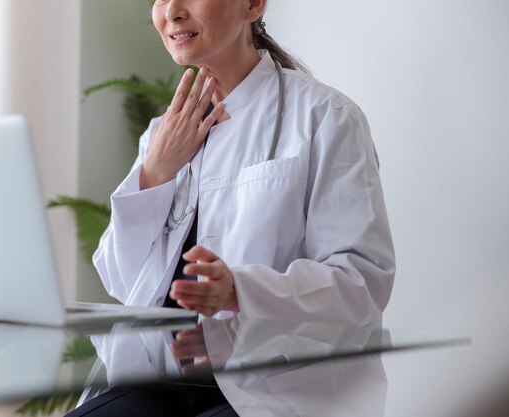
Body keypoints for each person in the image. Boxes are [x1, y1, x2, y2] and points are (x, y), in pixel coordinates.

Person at [69, 0, 395, 415]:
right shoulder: (164, 134)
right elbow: (120, 278)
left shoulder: (325, 117)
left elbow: (360, 286)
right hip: (160, 381)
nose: (171, 11)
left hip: (278, 388)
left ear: (253, 5)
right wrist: (155, 173)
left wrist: (240, 292)